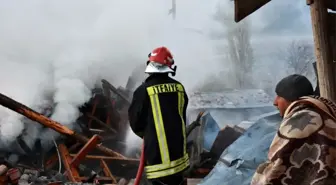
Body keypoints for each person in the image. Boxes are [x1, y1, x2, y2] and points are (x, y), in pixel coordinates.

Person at [251, 74, 336, 185]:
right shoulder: (322, 113)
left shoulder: (301, 119)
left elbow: (277, 168)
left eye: (279, 96)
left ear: (290, 97)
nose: (275, 102)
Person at [128, 46, 189, 185]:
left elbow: (135, 123)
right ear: (169, 66)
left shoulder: (143, 91)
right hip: (180, 161)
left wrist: (149, 134)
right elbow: (181, 116)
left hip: (158, 165)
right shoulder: (179, 88)